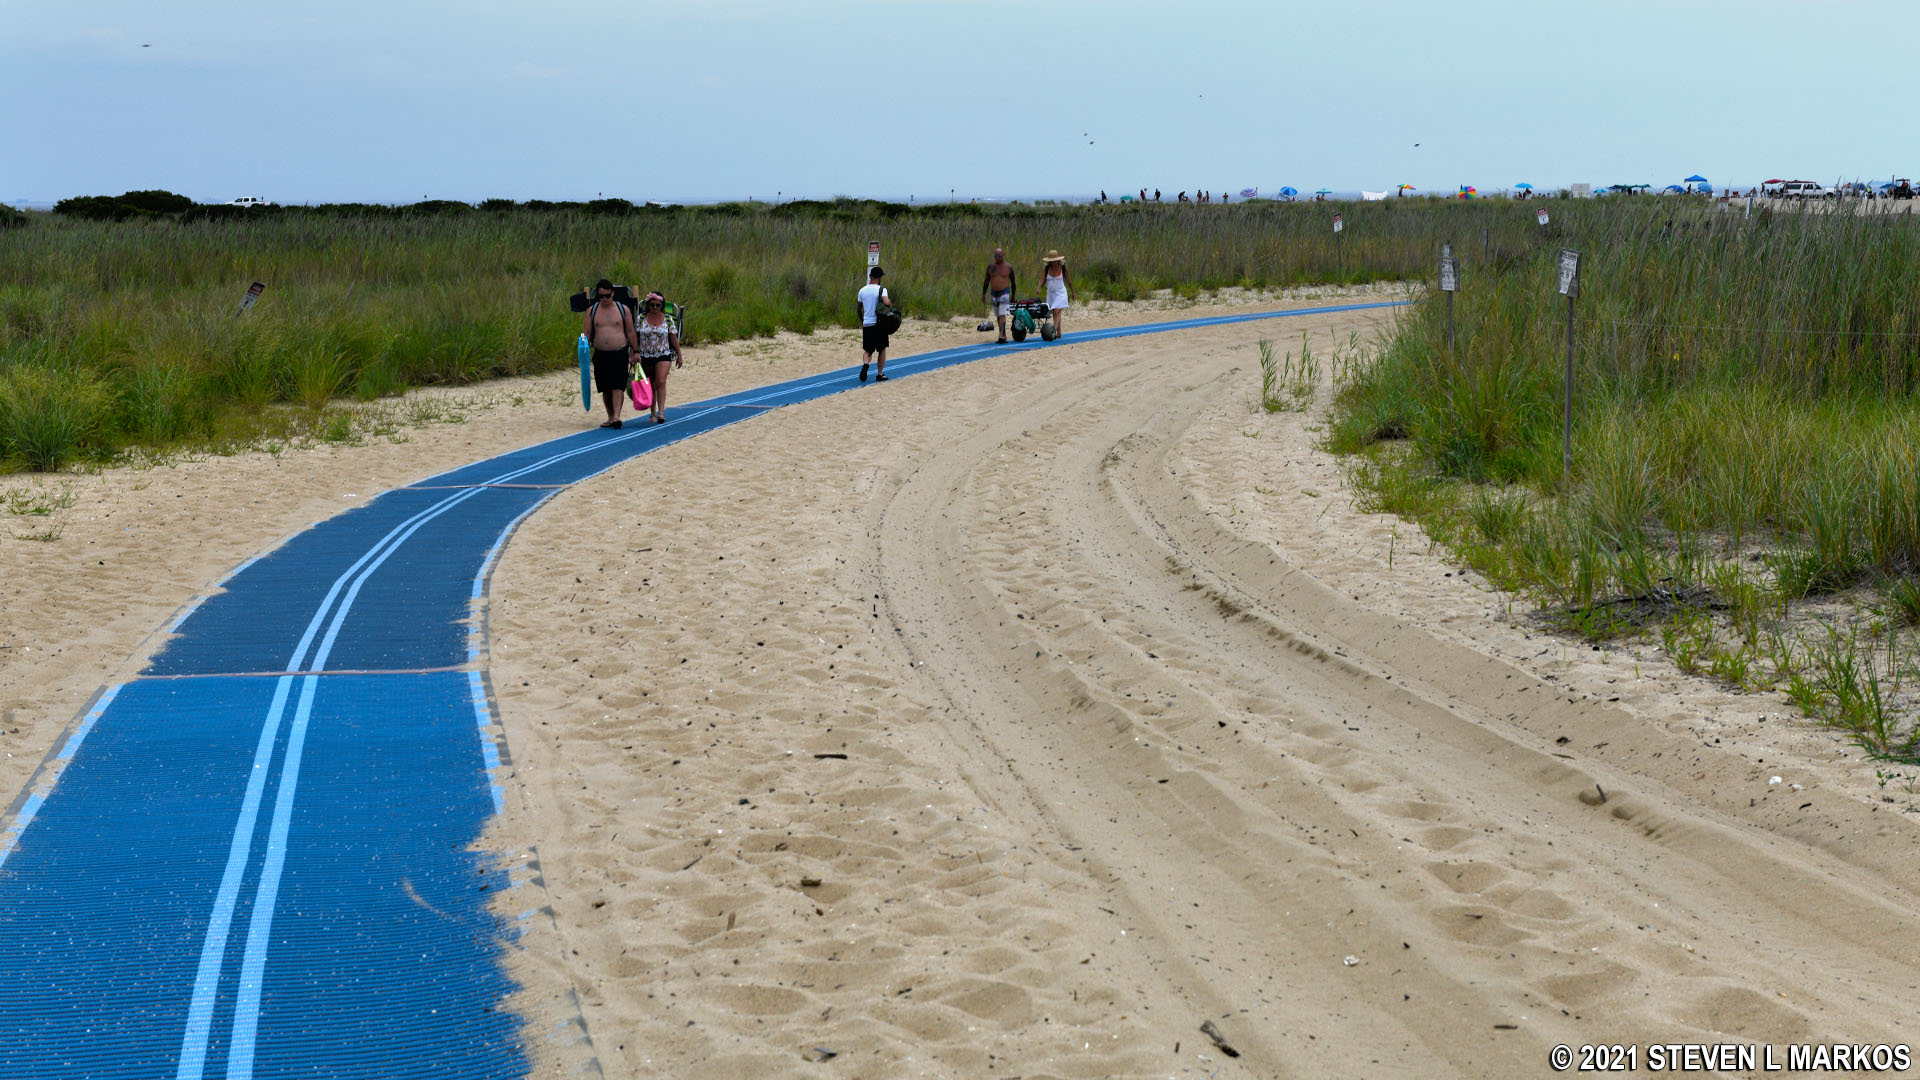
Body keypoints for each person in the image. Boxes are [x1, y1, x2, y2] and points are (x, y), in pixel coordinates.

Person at [581, 278, 637, 428]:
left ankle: (617, 416)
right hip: (600, 353)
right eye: (601, 296)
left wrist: (635, 351)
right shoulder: (591, 311)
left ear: (613, 293)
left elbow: (631, 331)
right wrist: (582, 348)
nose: (604, 299)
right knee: (605, 387)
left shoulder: (622, 309)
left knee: (618, 385)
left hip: (619, 352)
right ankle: (611, 416)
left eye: (607, 295)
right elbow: (586, 332)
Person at [633, 291, 681, 424]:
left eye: (657, 305)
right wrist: (633, 353)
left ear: (662, 306)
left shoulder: (667, 319)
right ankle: (652, 413)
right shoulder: (641, 319)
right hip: (645, 354)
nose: (654, 307)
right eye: (652, 305)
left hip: (663, 354)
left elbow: (673, 337)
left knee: (660, 381)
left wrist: (679, 354)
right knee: (650, 384)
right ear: (648, 305)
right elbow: (635, 337)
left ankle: (661, 412)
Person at [856, 266, 891, 382]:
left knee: (868, 350)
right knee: (882, 349)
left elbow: (859, 309)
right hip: (879, 325)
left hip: (867, 324)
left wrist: (863, 320)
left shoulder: (862, 290)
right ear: (880, 277)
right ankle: (880, 374)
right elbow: (886, 303)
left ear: (870, 276)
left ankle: (866, 364)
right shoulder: (882, 289)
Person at [981, 247, 1017, 344]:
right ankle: (1004, 335)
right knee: (997, 315)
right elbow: (986, 281)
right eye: (996, 256)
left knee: (1002, 314)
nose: (998, 258)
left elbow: (1013, 283)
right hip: (993, 293)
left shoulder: (1008, 267)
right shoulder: (991, 267)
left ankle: (1000, 335)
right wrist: (983, 294)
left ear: (1003, 255)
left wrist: (1013, 295)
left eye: (999, 256)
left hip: (1004, 293)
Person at [1041, 249, 1071, 337]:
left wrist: (1072, 292)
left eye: (1055, 261)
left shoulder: (1063, 268)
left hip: (1061, 293)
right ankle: (1059, 333)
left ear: (1058, 260)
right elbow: (1042, 279)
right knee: (1055, 312)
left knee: (1057, 311)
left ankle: (1052, 331)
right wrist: (1039, 288)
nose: (1053, 262)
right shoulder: (1047, 268)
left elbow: (1069, 281)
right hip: (1050, 294)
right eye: (1051, 261)